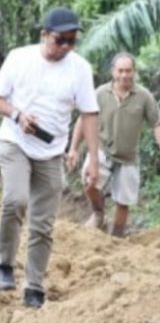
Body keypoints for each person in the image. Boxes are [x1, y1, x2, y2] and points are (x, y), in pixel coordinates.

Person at [0, 6, 99, 308]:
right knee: (15, 199)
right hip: (15, 141)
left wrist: (93, 158)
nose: (65, 46)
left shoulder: (79, 68)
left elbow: (89, 113)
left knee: (43, 222)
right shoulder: (20, 58)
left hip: (52, 151)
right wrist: (17, 115)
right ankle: (4, 263)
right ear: (44, 35)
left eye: (71, 41)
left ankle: (34, 285)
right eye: (59, 40)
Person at [68, 52, 160, 237]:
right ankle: (98, 213)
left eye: (128, 71)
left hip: (128, 156)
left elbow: (156, 123)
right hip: (102, 151)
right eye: (121, 70)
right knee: (89, 183)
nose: (124, 75)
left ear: (134, 72)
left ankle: (116, 237)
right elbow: (83, 120)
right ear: (113, 72)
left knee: (123, 202)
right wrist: (74, 148)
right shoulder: (100, 93)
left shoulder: (144, 96)